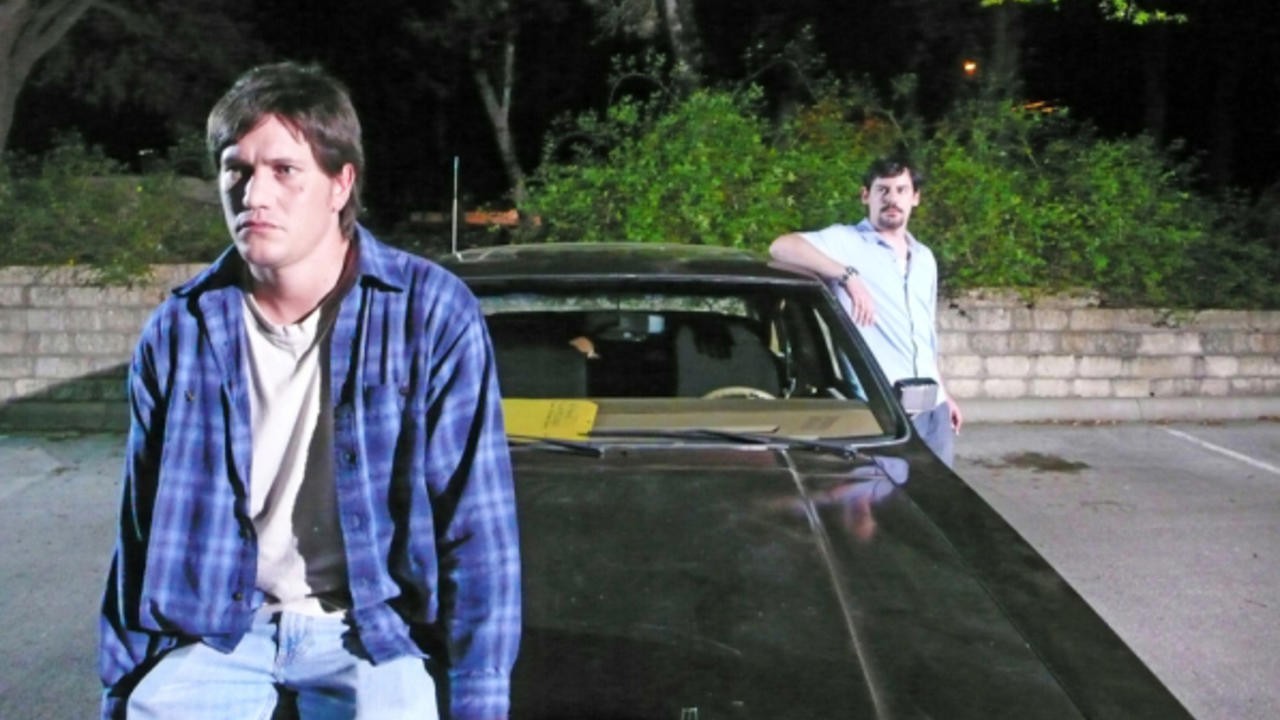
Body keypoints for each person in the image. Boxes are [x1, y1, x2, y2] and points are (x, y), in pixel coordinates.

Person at [99, 61, 521, 720]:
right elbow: (138, 531)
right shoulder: (180, 330)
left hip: (369, 629)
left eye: (284, 170)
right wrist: (123, 684)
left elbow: (477, 528)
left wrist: (478, 700)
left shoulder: (430, 312)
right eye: (237, 170)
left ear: (339, 184)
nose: (254, 194)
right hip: (221, 630)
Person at [770, 155, 962, 466]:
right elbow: (781, 247)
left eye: (901, 190)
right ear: (865, 196)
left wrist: (945, 394)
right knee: (884, 495)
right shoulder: (846, 242)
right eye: (882, 190)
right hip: (881, 412)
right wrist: (846, 276)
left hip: (933, 412)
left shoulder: (925, 258)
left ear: (915, 198)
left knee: (938, 494)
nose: (892, 199)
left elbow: (924, 333)